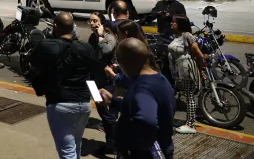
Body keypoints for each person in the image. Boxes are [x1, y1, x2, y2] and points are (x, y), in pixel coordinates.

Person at [29, 12, 97, 159]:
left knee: (67, 151)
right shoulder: (86, 48)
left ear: (55, 26)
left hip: (61, 105)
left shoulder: (47, 46)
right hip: (84, 104)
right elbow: (93, 73)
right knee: (75, 145)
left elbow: (33, 64)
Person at [99, 38, 176, 159]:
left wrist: (133, 148)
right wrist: (113, 101)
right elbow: (139, 106)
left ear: (125, 61)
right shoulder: (159, 78)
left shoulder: (143, 89)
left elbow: (147, 120)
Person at [87, 12, 117, 156]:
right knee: (102, 113)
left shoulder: (108, 37)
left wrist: (100, 36)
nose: (92, 24)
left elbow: (106, 50)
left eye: (95, 21)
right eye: (90, 21)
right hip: (94, 81)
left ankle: (113, 145)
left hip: (106, 82)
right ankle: (110, 142)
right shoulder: (92, 37)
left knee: (109, 115)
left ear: (102, 23)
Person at [168, 15, 205, 134]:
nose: (171, 24)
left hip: (186, 68)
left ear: (180, 24)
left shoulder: (187, 36)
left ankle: (190, 124)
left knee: (189, 97)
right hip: (180, 68)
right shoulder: (178, 36)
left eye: (173, 22)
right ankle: (189, 122)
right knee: (187, 95)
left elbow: (198, 54)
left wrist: (200, 68)